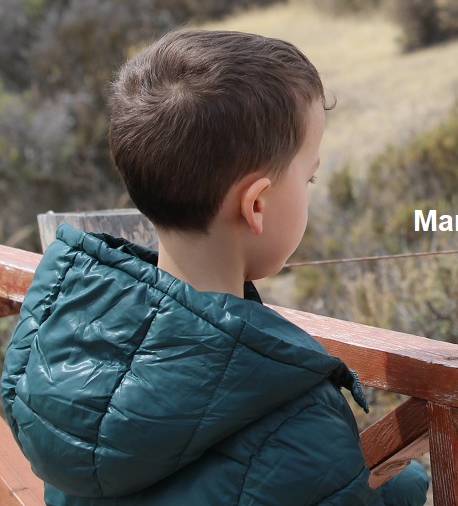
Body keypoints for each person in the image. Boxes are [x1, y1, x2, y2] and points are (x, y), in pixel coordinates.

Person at [1, 29, 430, 505]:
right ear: (256, 205)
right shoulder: (297, 418)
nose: (310, 189)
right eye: (309, 177)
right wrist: (404, 490)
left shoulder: (65, 342)